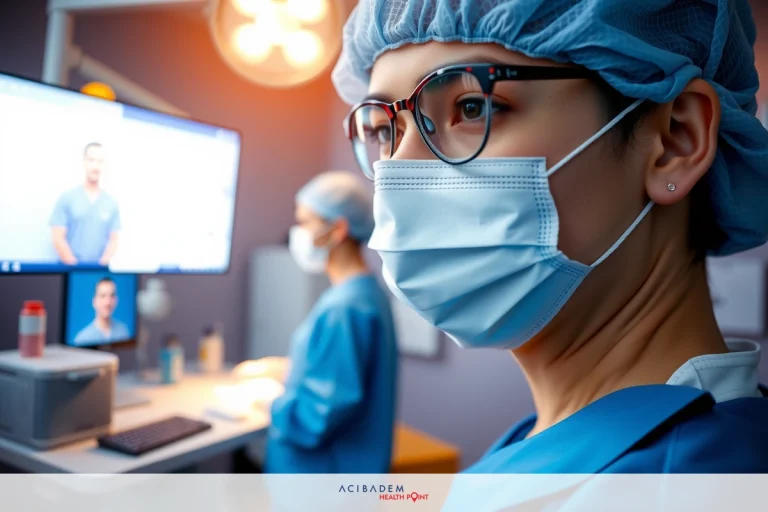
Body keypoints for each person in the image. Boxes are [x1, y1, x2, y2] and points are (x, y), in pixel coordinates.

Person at [330, 0, 768, 478]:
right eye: (383, 132)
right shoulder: (555, 440)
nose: (398, 172)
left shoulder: (694, 481)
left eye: (472, 107)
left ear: (675, 141)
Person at [235, 171, 399, 473]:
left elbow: (315, 418)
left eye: (304, 222)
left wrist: (267, 400)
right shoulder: (367, 294)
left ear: (338, 229)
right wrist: (282, 367)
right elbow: (339, 374)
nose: (297, 233)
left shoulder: (344, 308)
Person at [50, 142, 121, 266]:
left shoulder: (111, 202)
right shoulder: (67, 198)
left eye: (100, 161)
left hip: (99, 274)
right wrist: (77, 269)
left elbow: (114, 240)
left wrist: (99, 268)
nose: (96, 166)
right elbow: (57, 237)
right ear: (84, 162)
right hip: (69, 270)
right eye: (91, 160)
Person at [74, 276, 131, 345]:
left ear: (116, 300)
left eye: (112, 295)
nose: (107, 302)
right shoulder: (82, 339)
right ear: (94, 301)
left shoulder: (123, 331)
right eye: (103, 296)